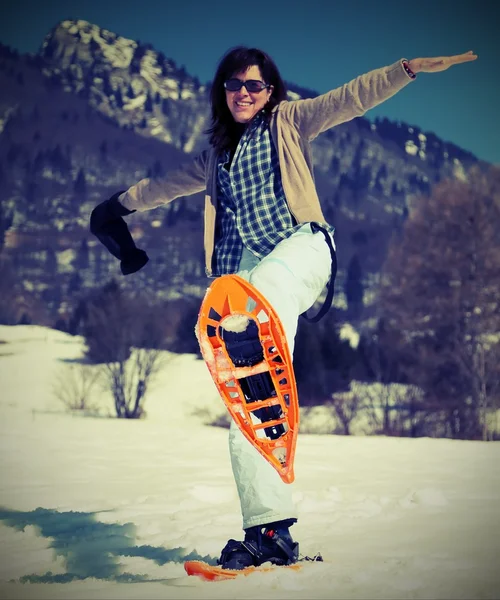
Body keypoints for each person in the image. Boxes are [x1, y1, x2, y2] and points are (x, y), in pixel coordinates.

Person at [90, 47, 477, 569]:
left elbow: (350, 99)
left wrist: (404, 70)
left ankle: (251, 334)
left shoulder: (291, 121)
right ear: (221, 93)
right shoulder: (214, 159)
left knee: (260, 293)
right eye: (233, 85)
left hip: (299, 250)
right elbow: (159, 189)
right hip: (245, 281)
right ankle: (269, 531)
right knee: (249, 409)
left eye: (254, 85)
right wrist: (112, 210)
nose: (243, 93)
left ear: (270, 91)